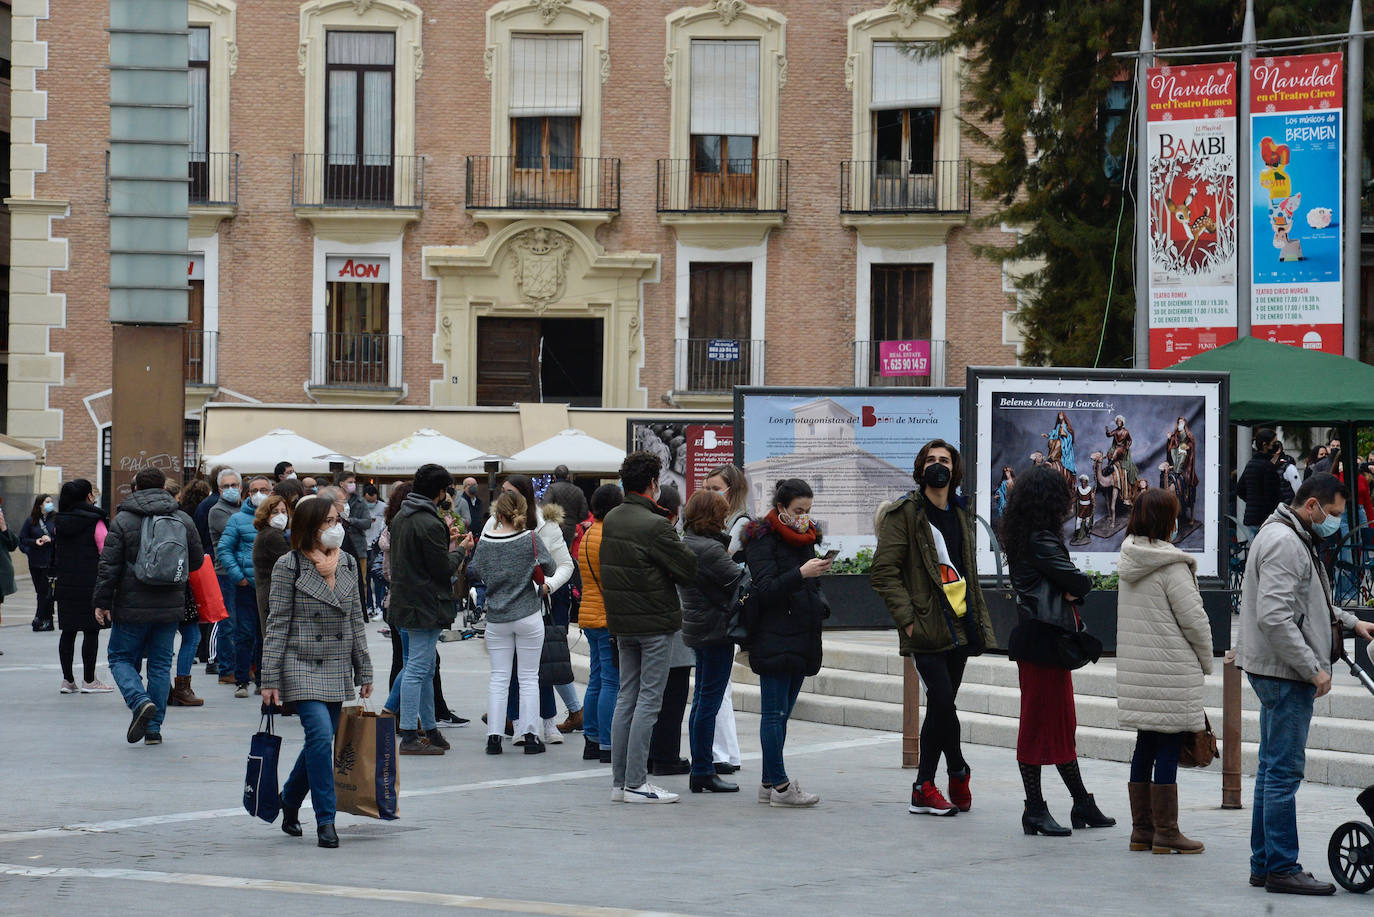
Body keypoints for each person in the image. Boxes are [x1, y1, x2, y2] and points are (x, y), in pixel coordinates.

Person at [1236, 473, 1374, 894]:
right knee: (1282, 773)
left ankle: (1265, 864)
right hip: (1285, 673)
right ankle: (1280, 866)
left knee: (1271, 770)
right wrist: (1313, 668)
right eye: (1331, 514)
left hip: (1278, 670)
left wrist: (1352, 622)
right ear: (1311, 505)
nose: (1333, 523)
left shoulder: (1290, 536)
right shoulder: (1284, 543)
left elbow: (1309, 598)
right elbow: (1275, 617)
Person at [872, 440, 997, 817]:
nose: (937, 465)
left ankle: (924, 786)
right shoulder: (905, 513)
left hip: (959, 623)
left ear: (954, 470)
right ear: (920, 468)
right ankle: (955, 770)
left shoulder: (960, 513)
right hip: (925, 626)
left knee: (942, 709)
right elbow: (883, 572)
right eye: (931, 460)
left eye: (944, 460)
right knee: (942, 701)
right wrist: (907, 620)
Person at [1001, 464, 1114, 836]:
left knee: (1060, 725)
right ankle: (1034, 808)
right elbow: (1079, 581)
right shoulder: (1042, 540)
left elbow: (1067, 583)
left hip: (1039, 638)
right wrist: (1073, 586)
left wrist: (1068, 586)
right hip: (1045, 641)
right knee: (1038, 727)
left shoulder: (1023, 536)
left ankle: (1081, 802)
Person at [260, 493, 372, 850]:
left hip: (336, 663)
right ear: (310, 527)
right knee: (322, 738)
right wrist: (269, 680)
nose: (335, 528)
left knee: (320, 742)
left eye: (337, 521)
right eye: (328, 522)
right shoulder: (288, 565)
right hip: (300, 662)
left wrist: (364, 669)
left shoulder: (349, 564)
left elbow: (355, 619)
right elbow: (276, 624)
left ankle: (289, 801)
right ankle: (326, 819)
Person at [1116, 488, 1214, 855]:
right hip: (1171, 670)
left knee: (1145, 745)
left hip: (1140, 672)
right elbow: (1194, 622)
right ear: (1166, 520)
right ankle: (1167, 832)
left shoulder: (1130, 559)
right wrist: (1206, 660)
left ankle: (1142, 830)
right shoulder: (1171, 565)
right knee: (1170, 746)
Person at [600, 450, 698, 804]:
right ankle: (637, 782)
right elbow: (687, 567)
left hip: (623, 621)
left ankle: (619, 782)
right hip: (655, 622)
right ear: (653, 483)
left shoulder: (612, 517)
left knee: (627, 697)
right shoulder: (656, 524)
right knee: (648, 701)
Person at [93, 467, 205, 746]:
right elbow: (197, 560)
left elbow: (109, 565)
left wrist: (102, 602)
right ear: (165, 488)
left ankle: (139, 700)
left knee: (119, 657)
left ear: (135, 489)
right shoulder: (181, 518)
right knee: (159, 665)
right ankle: (153, 729)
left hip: (131, 604)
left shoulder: (124, 520)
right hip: (170, 604)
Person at [739, 478, 830, 808]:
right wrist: (801, 574)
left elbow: (804, 583)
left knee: (782, 713)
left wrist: (817, 593)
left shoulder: (804, 538)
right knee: (773, 714)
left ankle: (768, 782)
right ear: (780, 508)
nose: (804, 516)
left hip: (801, 633)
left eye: (808, 510)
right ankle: (780, 785)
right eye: (797, 510)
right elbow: (764, 589)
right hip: (773, 635)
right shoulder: (762, 539)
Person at [386, 463, 471, 755]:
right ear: (439, 491)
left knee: (423, 666)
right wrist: (461, 549)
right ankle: (410, 732)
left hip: (405, 601)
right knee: (418, 668)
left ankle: (431, 728)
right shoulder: (429, 521)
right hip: (425, 604)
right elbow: (442, 569)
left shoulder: (401, 517)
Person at [488, 474, 576, 743]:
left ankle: (544, 724)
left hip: (537, 607)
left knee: (538, 668)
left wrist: (547, 585)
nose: (504, 496)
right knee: (514, 673)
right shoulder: (495, 522)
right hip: (505, 608)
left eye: (510, 491)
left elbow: (564, 564)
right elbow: (482, 563)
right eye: (502, 491)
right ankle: (518, 726)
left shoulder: (545, 527)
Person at [468, 491, 556, 755]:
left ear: (498, 513)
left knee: (499, 678)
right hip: (527, 613)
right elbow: (550, 569)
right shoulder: (530, 538)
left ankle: (494, 737)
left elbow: (476, 571)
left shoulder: (486, 541)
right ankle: (530, 736)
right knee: (529, 677)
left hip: (497, 616)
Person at [679, 490, 744, 793]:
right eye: (722, 514)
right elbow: (740, 583)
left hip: (698, 627)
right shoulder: (710, 549)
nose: (725, 519)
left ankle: (700, 768)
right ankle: (703, 769)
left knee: (702, 700)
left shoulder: (688, 541)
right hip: (716, 629)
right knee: (709, 701)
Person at [700, 463, 750, 774]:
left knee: (717, 686)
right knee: (721, 688)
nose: (709, 494)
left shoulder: (739, 524)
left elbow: (723, 560)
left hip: (727, 611)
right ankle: (727, 753)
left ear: (731, 491)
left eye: (715, 489)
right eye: (706, 489)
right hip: (719, 610)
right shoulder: (722, 523)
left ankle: (723, 753)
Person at [647, 483, 694, 776]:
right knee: (672, 699)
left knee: (650, 698)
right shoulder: (671, 540)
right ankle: (666, 756)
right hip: (673, 629)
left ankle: (652, 755)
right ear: (675, 513)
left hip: (643, 627)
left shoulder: (637, 536)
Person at [576, 483, 623, 763]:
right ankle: (607, 742)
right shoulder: (609, 535)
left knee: (596, 678)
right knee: (611, 681)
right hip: (606, 616)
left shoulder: (589, 532)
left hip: (589, 614)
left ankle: (592, 739)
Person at [52, 479, 113, 694]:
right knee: (91, 631)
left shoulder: (59, 521)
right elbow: (106, 550)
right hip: (90, 582)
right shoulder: (95, 520)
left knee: (68, 632)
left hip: (66, 583)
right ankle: (89, 680)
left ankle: (67, 680)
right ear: (87, 496)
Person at [217, 475, 270, 698]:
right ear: (247, 494)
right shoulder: (238, 519)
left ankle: (262, 679)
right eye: (254, 490)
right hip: (247, 585)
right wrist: (238, 576)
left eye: (264, 489)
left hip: (270, 587)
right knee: (245, 633)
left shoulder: (277, 518)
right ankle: (241, 680)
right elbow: (224, 549)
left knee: (265, 635)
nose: (259, 494)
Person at [168, 481, 211, 707]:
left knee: (160, 640)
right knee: (191, 636)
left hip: (146, 589)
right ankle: (182, 688)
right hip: (180, 586)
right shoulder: (183, 519)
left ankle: (161, 687)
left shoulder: (133, 516)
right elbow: (197, 557)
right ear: (177, 496)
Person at [207, 467, 241, 684]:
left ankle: (240, 666)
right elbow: (237, 534)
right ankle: (226, 669)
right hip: (225, 572)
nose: (231, 489)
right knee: (228, 623)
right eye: (226, 486)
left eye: (234, 485)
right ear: (219, 490)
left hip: (243, 570)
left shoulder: (243, 509)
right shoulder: (218, 511)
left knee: (242, 623)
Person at [251, 493, 292, 655]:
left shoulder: (270, 533)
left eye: (284, 511)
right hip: (272, 593)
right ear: (265, 515)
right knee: (275, 640)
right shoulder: (271, 535)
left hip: (267, 591)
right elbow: (289, 560)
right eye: (275, 512)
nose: (281, 516)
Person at [20, 494, 58, 631]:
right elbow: (22, 539)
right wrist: (35, 543)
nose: (50, 504)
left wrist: (51, 540)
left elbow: (61, 537)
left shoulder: (55, 519)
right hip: (35, 561)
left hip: (50, 562)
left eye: (51, 501)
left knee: (46, 591)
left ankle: (40, 618)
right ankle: (46, 620)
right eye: (47, 502)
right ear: (40, 504)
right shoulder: (31, 521)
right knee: (41, 591)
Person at [1237, 429, 1283, 538]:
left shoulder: (1251, 464)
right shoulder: (1268, 467)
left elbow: (1240, 489)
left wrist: (1253, 501)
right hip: (1264, 519)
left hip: (1251, 518)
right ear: (1265, 445)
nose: (1276, 446)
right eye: (1274, 443)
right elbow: (1272, 496)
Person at [542, 464, 589, 546]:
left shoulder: (551, 489)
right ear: (568, 476)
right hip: (570, 529)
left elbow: (545, 507)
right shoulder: (577, 490)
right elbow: (584, 513)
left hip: (554, 527)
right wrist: (573, 521)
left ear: (554, 477)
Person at [363, 484, 387, 619]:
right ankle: (369, 605)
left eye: (373, 499)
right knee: (365, 579)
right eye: (368, 500)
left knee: (378, 577)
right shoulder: (361, 506)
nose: (371, 502)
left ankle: (379, 605)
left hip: (376, 546)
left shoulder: (383, 507)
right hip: (364, 545)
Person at [1044, 412, 1077, 477]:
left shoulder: (1067, 427)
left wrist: (1065, 434)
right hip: (1057, 440)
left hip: (1064, 442)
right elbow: (1053, 433)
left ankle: (1051, 458)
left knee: (1059, 443)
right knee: (1051, 441)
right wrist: (1048, 436)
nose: (1060, 417)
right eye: (1059, 416)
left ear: (1064, 416)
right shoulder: (1058, 426)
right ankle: (1051, 457)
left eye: (1061, 415)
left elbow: (1070, 435)